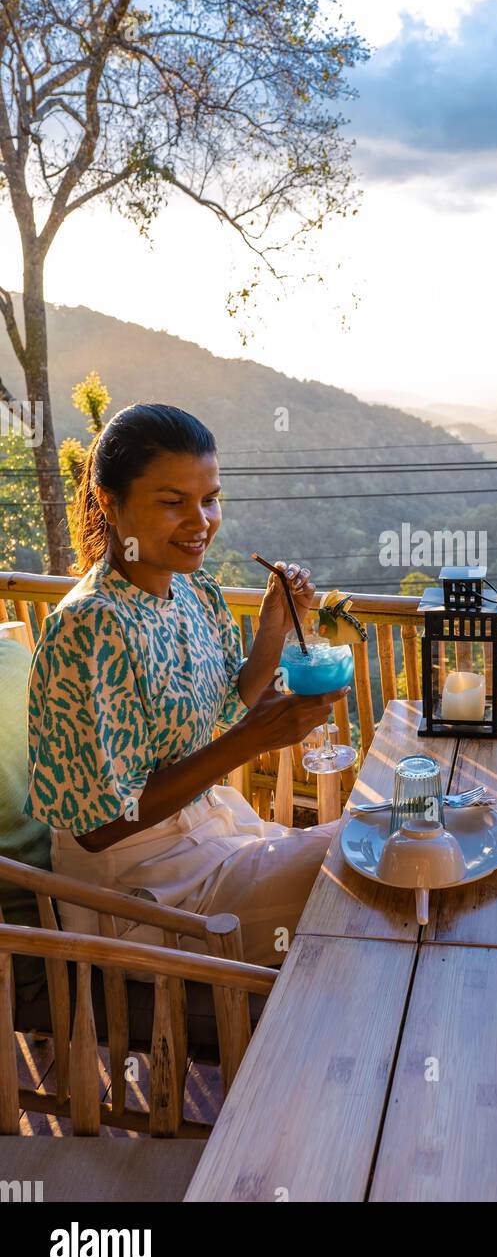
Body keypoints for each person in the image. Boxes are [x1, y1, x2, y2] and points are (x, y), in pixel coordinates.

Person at [25, 403, 349, 966]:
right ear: (109, 500)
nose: (200, 522)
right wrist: (250, 742)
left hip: (211, 829)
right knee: (360, 860)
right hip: (137, 888)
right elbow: (100, 827)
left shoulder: (194, 591)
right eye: (173, 502)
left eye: (209, 498)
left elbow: (229, 702)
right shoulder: (90, 627)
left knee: (378, 832)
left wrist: (273, 624)